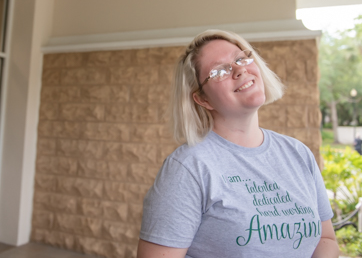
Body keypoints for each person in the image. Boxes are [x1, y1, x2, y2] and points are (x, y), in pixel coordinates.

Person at [137, 30, 339, 258]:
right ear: (203, 99)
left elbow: (326, 238)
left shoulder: (298, 153)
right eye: (219, 70)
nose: (240, 69)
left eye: (241, 58)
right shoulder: (188, 167)